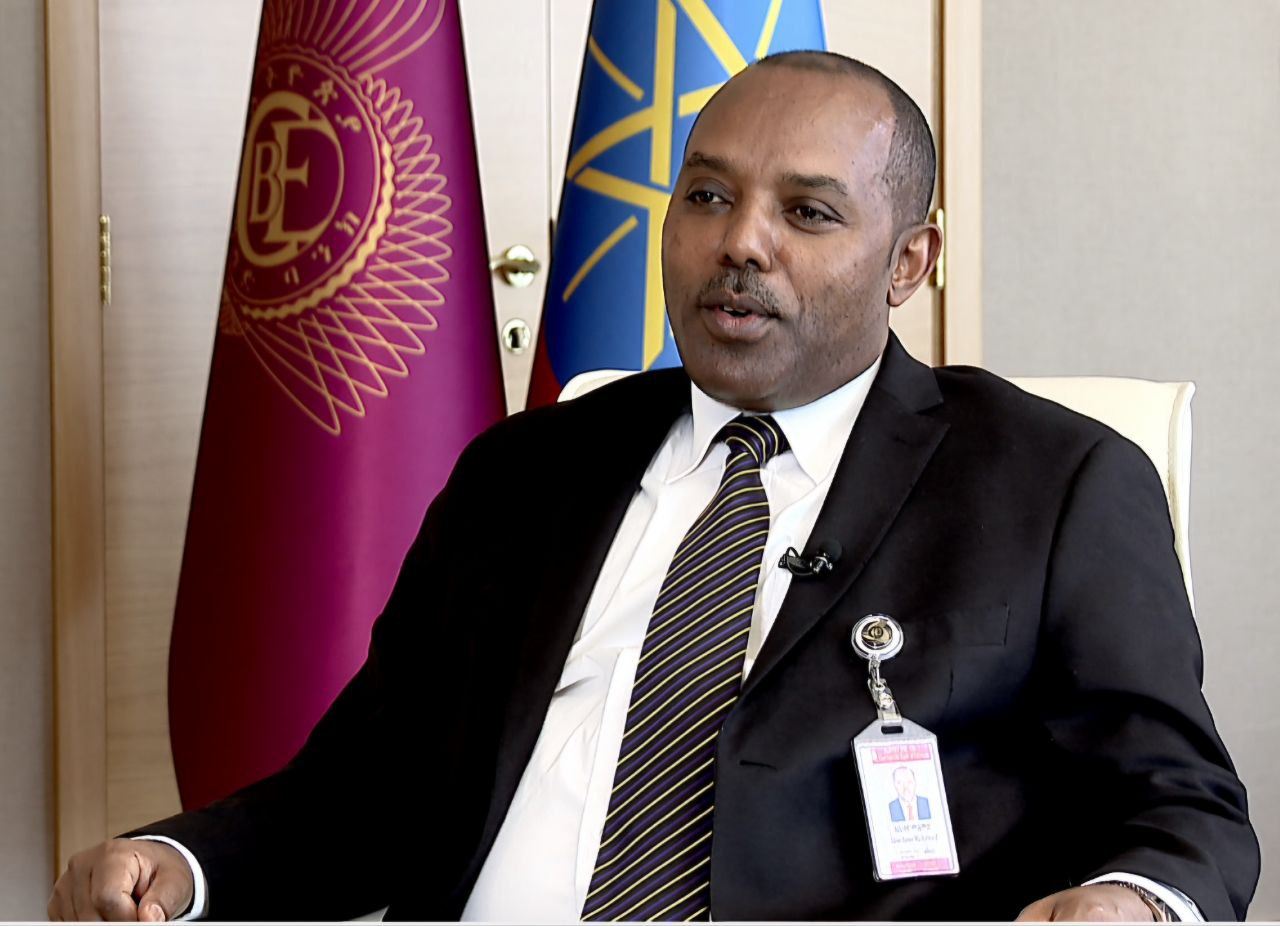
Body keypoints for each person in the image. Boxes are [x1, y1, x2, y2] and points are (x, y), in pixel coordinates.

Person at [49, 51, 1258, 922]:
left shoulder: (1051, 483)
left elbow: (1182, 806)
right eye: (708, 195)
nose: (740, 242)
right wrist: (183, 865)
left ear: (908, 262)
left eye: (807, 212)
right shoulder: (523, 470)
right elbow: (367, 788)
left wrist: (1131, 899)